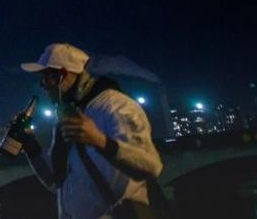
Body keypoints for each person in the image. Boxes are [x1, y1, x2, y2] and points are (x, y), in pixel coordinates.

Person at [16, 43, 165, 219]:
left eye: (45, 77)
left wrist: (100, 141)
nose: (42, 85)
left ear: (62, 75)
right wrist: (29, 143)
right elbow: (56, 180)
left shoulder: (115, 106)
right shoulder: (68, 115)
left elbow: (150, 166)